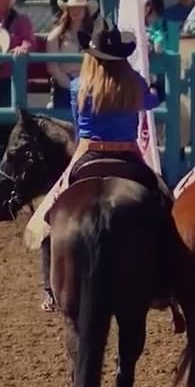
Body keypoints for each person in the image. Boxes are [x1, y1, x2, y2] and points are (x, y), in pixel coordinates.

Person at [36, 21, 166, 311]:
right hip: (129, 157)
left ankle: (49, 287)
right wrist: (158, 85)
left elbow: (80, 128)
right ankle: (162, 284)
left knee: (49, 215)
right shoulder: (134, 83)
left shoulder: (77, 86)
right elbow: (152, 101)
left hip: (89, 156)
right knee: (165, 206)